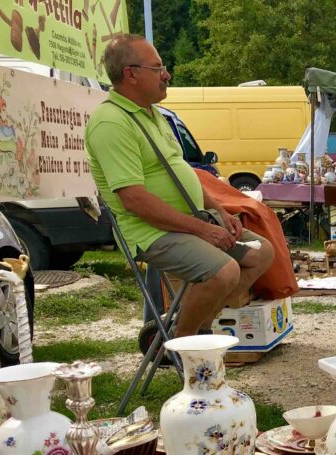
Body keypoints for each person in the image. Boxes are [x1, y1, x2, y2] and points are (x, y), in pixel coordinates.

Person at [85, 34, 273, 339]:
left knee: (262, 253)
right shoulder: (111, 123)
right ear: (130, 74)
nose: (166, 74)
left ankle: (188, 331)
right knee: (224, 270)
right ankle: (187, 346)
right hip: (152, 233)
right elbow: (134, 200)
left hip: (188, 222)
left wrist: (219, 212)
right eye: (157, 68)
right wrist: (203, 229)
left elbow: (180, 173)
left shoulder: (152, 114)